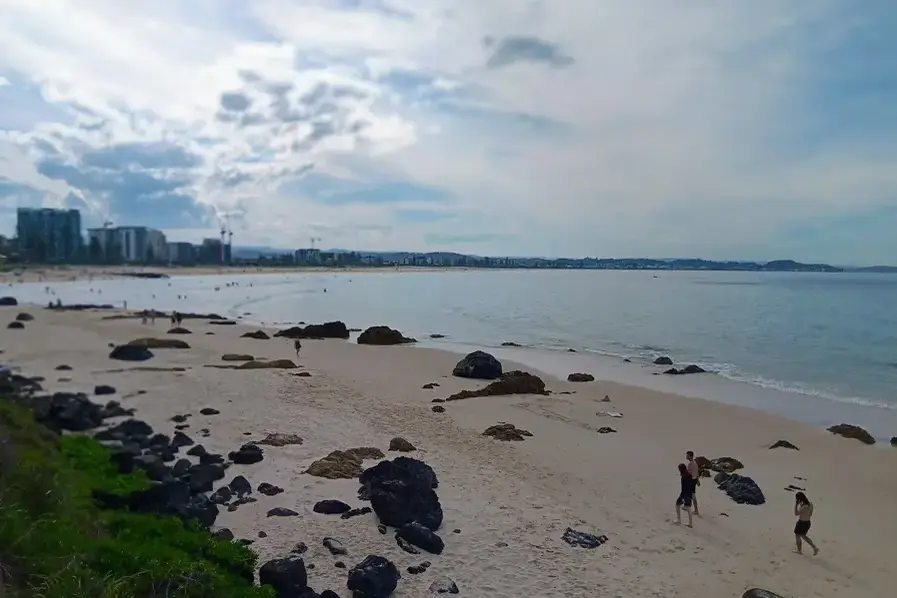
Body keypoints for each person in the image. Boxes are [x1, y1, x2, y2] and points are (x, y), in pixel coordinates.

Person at [675, 463, 694, 527]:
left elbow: (683, 487)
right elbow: (691, 485)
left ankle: (678, 519)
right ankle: (690, 523)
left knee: (677, 504)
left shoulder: (683, 477)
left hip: (685, 494)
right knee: (688, 507)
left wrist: (682, 496)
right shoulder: (689, 475)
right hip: (689, 493)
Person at [686, 450, 701, 516]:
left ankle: (696, 510)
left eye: (687, 455)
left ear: (690, 456)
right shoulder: (695, 463)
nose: (686, 456)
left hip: (691, 481)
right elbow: (697, 472)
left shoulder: (690, 464)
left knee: (692, 495)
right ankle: (687, 506)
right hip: (694, 480)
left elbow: (689, 474)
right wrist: (698, 480)